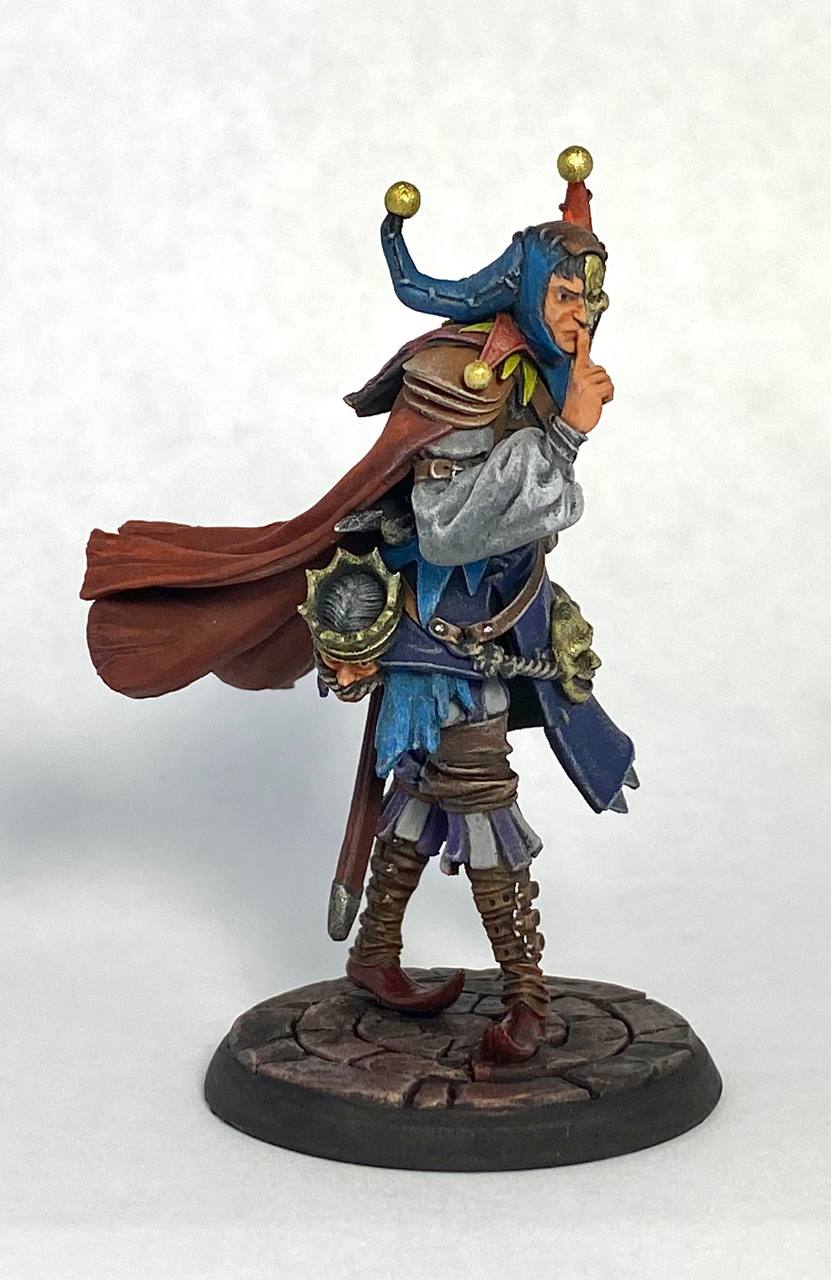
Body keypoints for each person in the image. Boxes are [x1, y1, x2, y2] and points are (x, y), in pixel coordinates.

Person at [81, 146, 637, 1064]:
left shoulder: (540, 371)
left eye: (594, 296)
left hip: (501, 622)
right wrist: (567, 437)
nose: (585, 313)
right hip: (442, 634)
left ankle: (375, 951)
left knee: (421, 792)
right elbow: (448, 529)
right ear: (528, 289)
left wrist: (560, 421)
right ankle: (528, 999)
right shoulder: (460, 375)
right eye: (567, 294)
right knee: (479, 797)